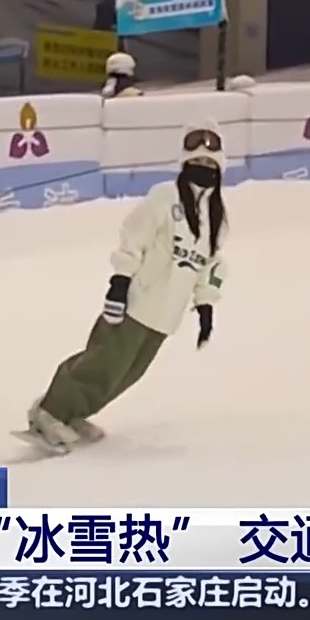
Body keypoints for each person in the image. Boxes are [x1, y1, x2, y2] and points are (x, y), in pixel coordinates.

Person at [23, 118, 230, 452]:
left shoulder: (216, 216)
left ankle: (74, 414)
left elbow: (211, 265)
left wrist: (205, 305)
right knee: (103, 362)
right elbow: (134, 238)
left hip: (166, 314)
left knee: (127, 374)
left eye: (209, 163)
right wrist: (119, 283)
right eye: (196, 162)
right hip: (138, 302)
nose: (203, 169)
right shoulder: (165, 197)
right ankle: (51, 411)